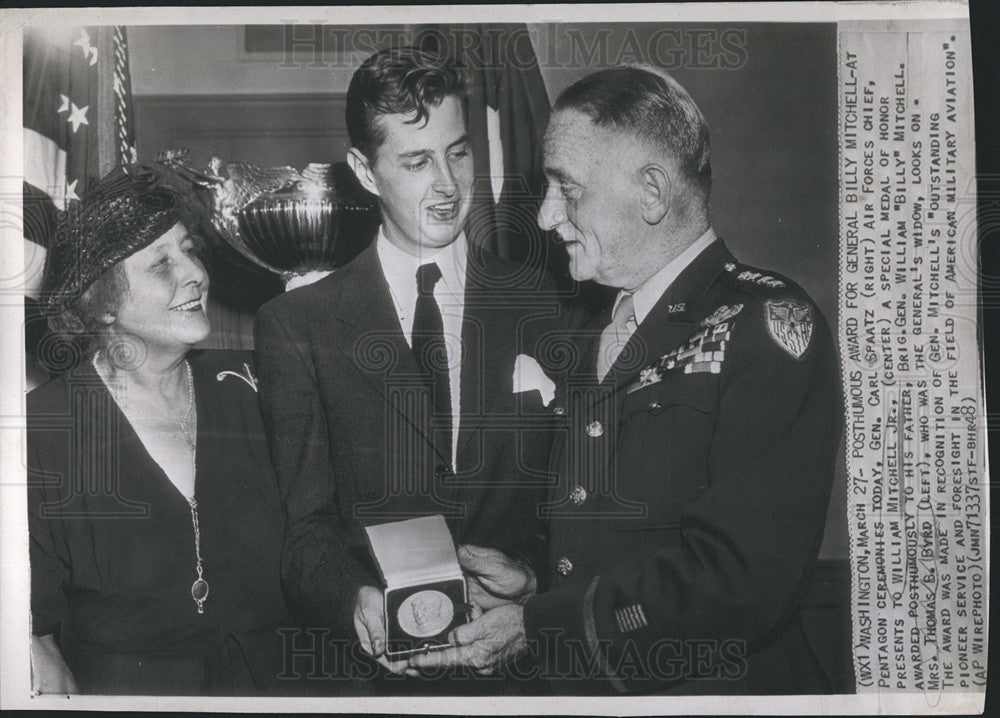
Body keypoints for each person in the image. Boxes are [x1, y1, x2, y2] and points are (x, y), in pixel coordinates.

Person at [409, 65, 842, 695]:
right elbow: (603, 542)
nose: (549, 215)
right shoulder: (586, 329)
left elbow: (740, 582)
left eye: (568, 188)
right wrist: (534, 588)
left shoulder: (764, 326)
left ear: (652, 193)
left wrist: (543, 624)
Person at [253, 47, 563, 691]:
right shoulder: (298, 326)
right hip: (377, 683)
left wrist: (534, 591)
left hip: (525, 675)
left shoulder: (547, 303)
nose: (447, 185)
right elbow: (305, 531)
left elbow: (575, 508)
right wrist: (351, 604)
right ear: (365, 171)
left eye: (457, 152)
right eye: (416, 161)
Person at [27, 165, 309, 695]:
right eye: (161, 264)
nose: (195, 274)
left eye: (189, 250)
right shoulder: (45, 430)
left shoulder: (257, 385)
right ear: (100, 303)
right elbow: (34, 635)